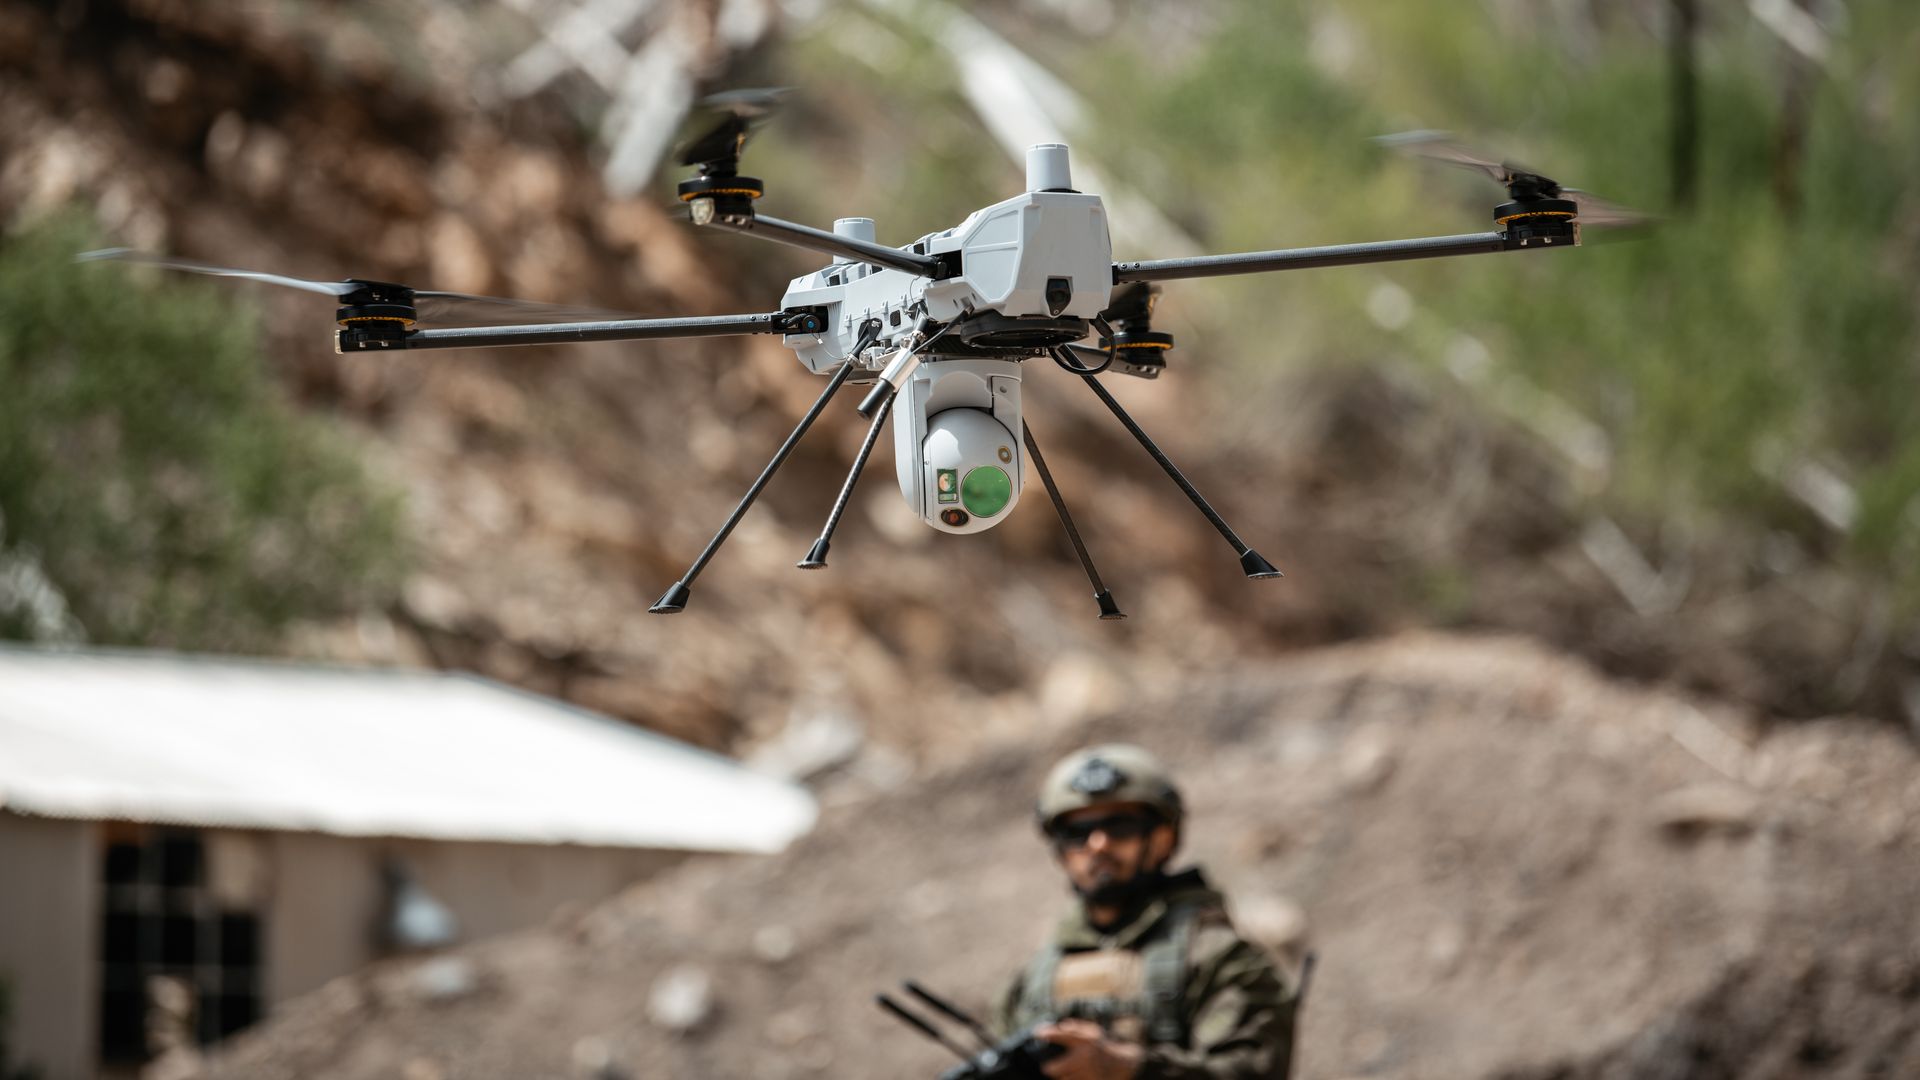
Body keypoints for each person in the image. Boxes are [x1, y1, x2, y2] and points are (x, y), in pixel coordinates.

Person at [994, 744, 1300, 1080]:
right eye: (1077, 833)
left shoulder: (1217, 957)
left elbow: (1251, 1071)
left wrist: (1127, 1068)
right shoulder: (1035, 981)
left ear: (1163, 839)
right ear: (1060, 851)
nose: (1099, 845)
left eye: (1121, 827)